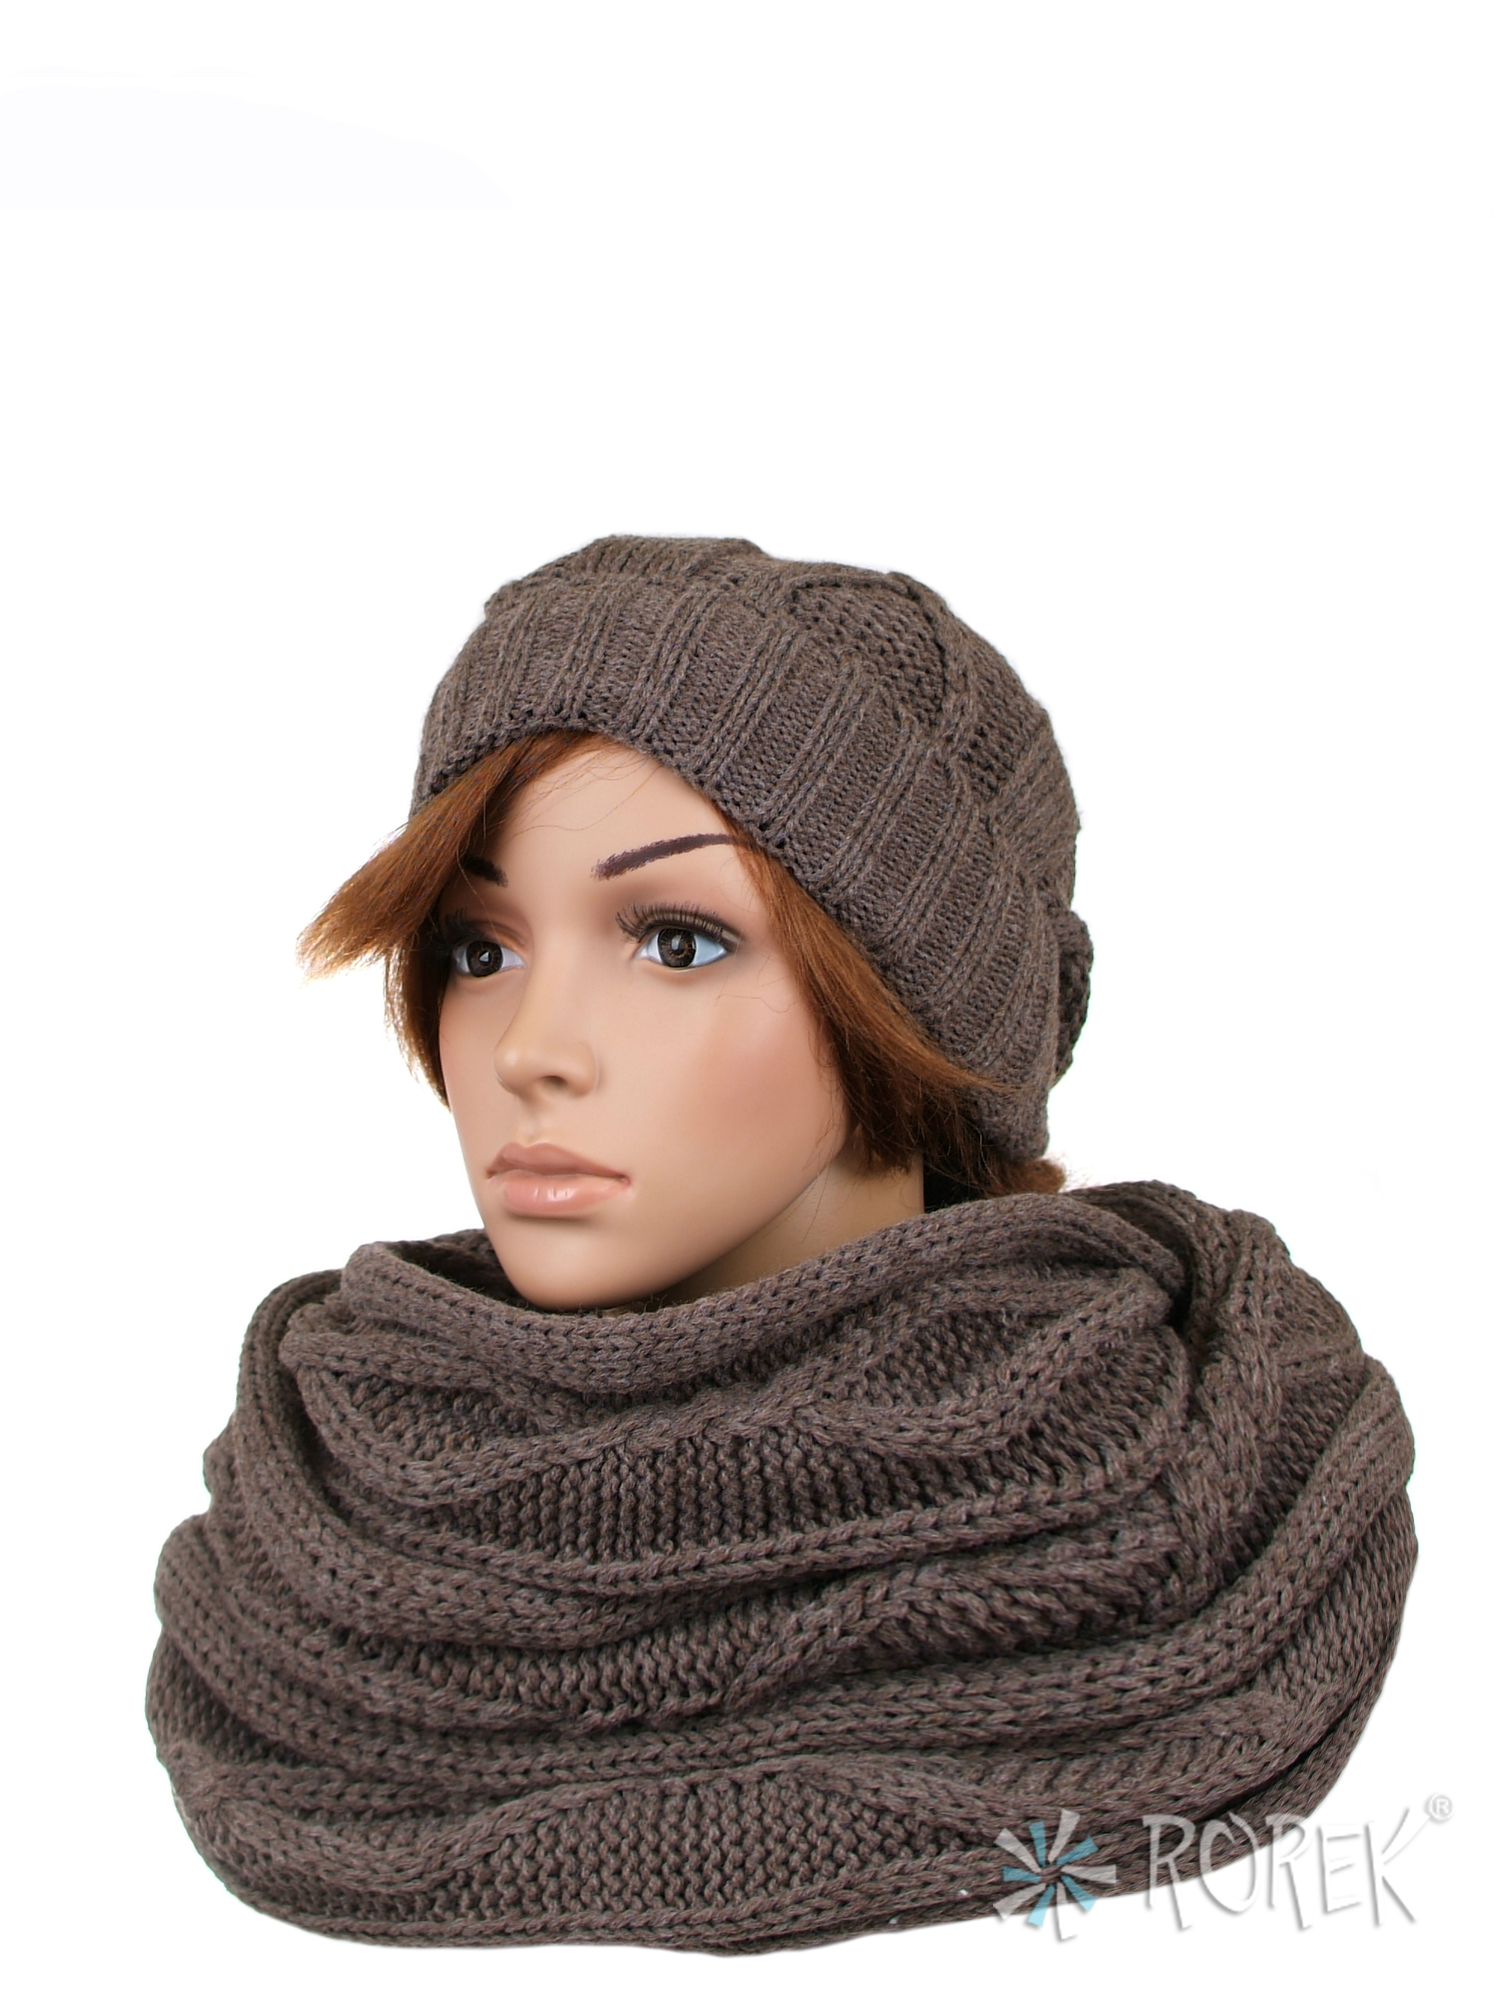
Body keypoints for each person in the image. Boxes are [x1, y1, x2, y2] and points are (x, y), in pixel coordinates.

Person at [146, 535, 1416, 1952]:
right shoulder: (310, 1545)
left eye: (676, 942)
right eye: (479, 947)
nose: (531, 1050)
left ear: (911, 1006)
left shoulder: (1226, 1519)